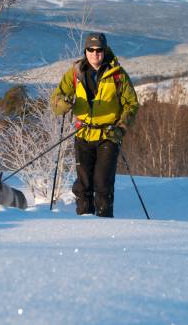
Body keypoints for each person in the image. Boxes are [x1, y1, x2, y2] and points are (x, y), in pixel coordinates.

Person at [50, 32, 138, 217]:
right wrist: (62, 104)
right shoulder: (75, 73)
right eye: (90, 49)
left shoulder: (118, 75)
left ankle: (104, 221)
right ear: (85, 51)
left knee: (102, 183)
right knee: (83, 184)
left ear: (104, 51)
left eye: (99, 50)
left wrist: (121, 128)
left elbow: (132, 104)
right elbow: (56, 100)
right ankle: (84, 221)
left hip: (108, 134)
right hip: (83, 134)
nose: (95, 53)